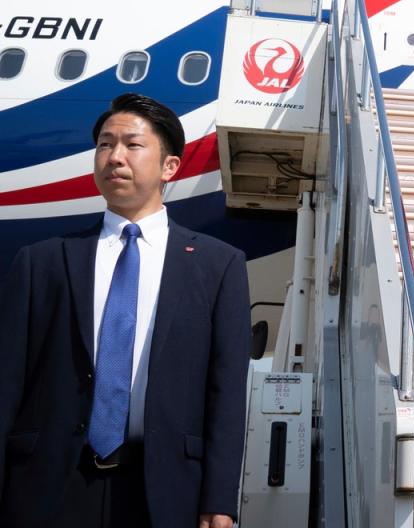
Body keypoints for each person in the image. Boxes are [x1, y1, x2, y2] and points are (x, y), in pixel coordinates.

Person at [0, 93, 250, 527]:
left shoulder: (218, 264)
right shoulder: (42, 260)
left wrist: (220, 499)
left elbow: (226, 393)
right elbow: (7, 382)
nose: (114, 157)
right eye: (104, 144)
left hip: (164, 489)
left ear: (169, 166)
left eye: (132, 145)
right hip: (48, 486)